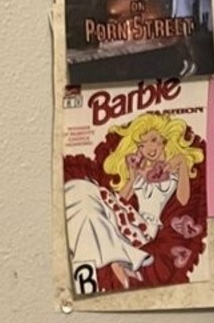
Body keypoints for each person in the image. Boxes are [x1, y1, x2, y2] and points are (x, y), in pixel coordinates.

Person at [64, 111, 203, 290]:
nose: (149, 148)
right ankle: (115, 260)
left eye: (153, 140)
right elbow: (121, 199)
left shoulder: (173, 174)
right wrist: (132, 176)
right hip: (126, 218)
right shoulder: (141, 174)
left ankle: (114, 260)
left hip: (143, 228)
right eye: (142, 145)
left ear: (163, 140)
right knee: (81, 189)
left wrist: (182, 163)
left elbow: (183, 199)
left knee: (88, 203)